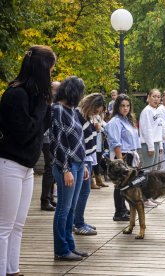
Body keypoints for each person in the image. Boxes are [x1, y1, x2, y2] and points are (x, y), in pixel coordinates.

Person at [0, 45, 56, 275]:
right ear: (42, 69)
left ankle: (13, 269)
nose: (52, 75)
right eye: (51, 70)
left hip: (26, 168)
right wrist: (43, 106)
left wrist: (43, 105)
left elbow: (42, 126)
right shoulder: (16, 94)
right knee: (4, 226)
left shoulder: (34, 97)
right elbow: (25, 133)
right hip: (9, 164)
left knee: (18, 225)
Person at [50, 76, 88, 261]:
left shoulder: (72, 110)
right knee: (63, 209)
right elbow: (58, 143)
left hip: (79, 164)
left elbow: (78, 138)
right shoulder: (56, 110)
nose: (82, 96)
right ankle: (61, 249)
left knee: (71, 208)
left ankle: (70, 246)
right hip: (67, 165)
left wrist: (85, 163)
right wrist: (65, 169)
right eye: (81, 92)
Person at [73, 93, 106, 236]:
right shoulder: (79, 116)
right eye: (95, 110)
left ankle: (79, 220)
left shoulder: (87, 116)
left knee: (84, 192)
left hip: (89, 157)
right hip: (84, 158)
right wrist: (85, 163)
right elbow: (80, 141)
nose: (96, 113)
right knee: (83, 192)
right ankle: (78, 223)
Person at [106, 94, 142, 219]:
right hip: (121, 156)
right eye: (122, 106)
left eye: (127, 106)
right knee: (120, 184)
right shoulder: (115, 121)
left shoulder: (128, 119)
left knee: (128, 184)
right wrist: (120, 161)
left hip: (130, 154)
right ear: (117, 107)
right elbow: (115, 142)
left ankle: (124, 208)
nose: (125, 108)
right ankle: (119, 211)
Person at [40, 81, 60, 211]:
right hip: (47, 138)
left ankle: (50, 197)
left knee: (52, 169)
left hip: (53, 139)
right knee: (49, 168)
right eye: (56, 89)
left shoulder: (56, 103)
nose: (58, 91)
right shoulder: (47, 102)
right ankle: (45, 200)